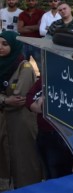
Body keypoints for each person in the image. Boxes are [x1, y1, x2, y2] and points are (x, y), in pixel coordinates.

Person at [0, 31, 44, 189]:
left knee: (24, 160)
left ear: (14, 45)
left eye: (5, 44)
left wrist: (4, 100)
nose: (0, 47)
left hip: (20, 122)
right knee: (5, 160)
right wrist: (5, 99)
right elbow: (10, 100)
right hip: (4, 122)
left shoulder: (24, 67)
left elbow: (18, 99)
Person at [26, 78, 73, 180]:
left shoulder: (69, 78)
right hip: (44, 134)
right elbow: (29, 98)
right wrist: (39, 106)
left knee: (59, 176)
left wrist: (42, 105)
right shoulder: (46, 77)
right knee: (49, 176)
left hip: (60, 136)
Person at [17, 0, 45, 65]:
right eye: (29, 0)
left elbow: (39, 27)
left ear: (36, 1)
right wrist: (34, 27)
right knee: (22, 65)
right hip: (24, 43)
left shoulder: (41, 13)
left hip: (37, 43)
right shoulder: (22, 14)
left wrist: (26, 27)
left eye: (32, 0)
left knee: (41, 65)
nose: (31, 2)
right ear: (26, 2)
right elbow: (20, 29)